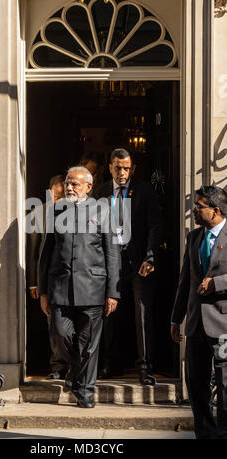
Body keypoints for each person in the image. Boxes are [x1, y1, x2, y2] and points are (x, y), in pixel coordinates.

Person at [39, 167, 121, 408]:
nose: (69, 187)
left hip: (93, 287)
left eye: (74, 184)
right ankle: (76, 372)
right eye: (67, 183)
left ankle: (85, 390)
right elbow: (45, 253)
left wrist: (113, 292)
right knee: (60, 333)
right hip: (59, 287)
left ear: (88, 187)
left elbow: (112, 253)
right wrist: (43, 290)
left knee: (89, 344)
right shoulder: (55, 211)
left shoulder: (103, 211)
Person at [94, 148, 160, 385]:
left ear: (132, 168)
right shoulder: (99, 192)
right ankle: (109, 364)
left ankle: (145, 367)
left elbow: (154, 225)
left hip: (138, 262)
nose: (122, 173)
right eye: (117, 168)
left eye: (126, 168)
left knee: (142, 313)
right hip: (108, 262)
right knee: (109, 313)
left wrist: (150, 257)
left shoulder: (144, 190)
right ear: (109, 167)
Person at [171, 185, 227, 439]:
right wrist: (176, 317)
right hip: (195, 324)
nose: (193, 210)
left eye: (198, 206)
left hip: (224, 323)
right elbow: (186, 281)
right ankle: (205, 433)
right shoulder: (193, 237)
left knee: (225, 384)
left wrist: (218, 283)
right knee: (196, 383)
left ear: (215, 211)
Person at [27, 174, 68, 380]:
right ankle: (57, 365)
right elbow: (34, 251)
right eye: (57, 193)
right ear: (51, 191)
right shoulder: (39, 211)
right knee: (53, 322)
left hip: (69, 277)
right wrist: (34, 282)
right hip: (48, 277)